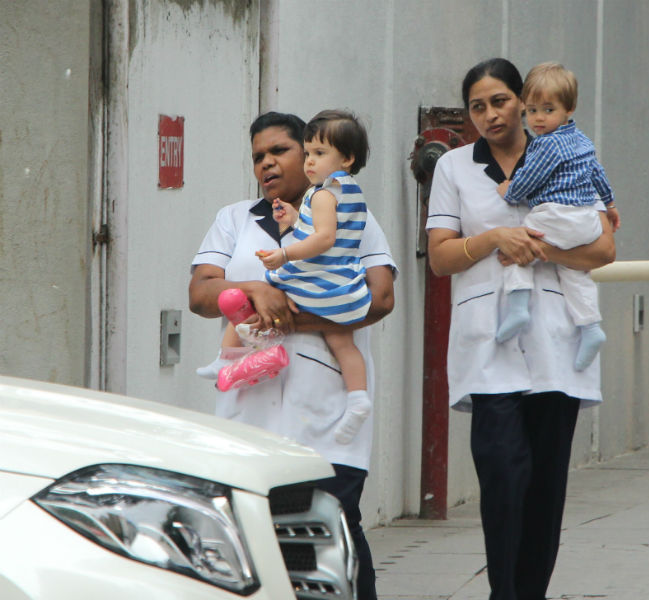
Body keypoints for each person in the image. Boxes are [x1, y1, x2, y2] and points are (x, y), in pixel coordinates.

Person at [425, 58, 615, 600]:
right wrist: (494, 240)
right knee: (503, 476)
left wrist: (545, 250)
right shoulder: (455, 167)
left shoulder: (562, 149)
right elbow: (440, 258)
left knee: (546, 487)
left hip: (558, 341)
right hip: (489, 342)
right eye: (477, 107)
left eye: (501, 101)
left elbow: (604, 248)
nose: (490, 115)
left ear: (525, 100)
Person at [189, 111, 396, 600]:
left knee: (333, 543)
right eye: (258, 155)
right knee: (253, 552)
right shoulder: (234, 219)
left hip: (327, 412)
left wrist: (289, 319)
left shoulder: (348, 214)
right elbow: (200, 293)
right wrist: (253, 289)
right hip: (249, 411)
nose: (267, 163)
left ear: (308, 154)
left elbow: (380, 298)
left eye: (279, 150)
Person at [494, 62, 620, 374]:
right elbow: (597, 175)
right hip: (586, 221)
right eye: (532, 109)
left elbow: (529, 180)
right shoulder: (583, 141)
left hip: (558, 214)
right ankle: (591, 327)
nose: (537, 119)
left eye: (548, 110)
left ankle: (519, 305)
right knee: (574, 272)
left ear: (569, 109)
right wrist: (610, 203)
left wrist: (508, 190)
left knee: (519, 243)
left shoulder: (546, 145)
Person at [260, 109, 373, 444]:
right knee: (343, 343)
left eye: (319, 154)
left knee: (266, 294)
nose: (309, 161)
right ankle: (358, 398)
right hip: (344, 282)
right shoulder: (346, 190)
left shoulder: (323, 193)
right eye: (308, 153)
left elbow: (322, 239)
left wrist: (284, 253)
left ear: (347, 158)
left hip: (320, 278)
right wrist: (296, 218)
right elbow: (327, 231)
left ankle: (231, 356)